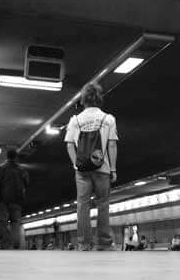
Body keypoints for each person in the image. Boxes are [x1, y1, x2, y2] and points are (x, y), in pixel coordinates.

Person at [65, 82, 118, 251]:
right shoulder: (108, 119)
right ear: (99, 98)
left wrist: (76, 165)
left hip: (82, 171)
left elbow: (68, 145)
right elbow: (111, 145)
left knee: (82, 204)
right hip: (102, 168)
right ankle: (103, 243)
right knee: (103, 204)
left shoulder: (75, 120)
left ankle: (84, 243)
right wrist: (113, 169)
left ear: (83, 100)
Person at [0, 148, 29, 250]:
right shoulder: (22, 170)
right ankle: (16, 244)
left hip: (3, 199)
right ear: (16, 157)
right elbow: (27, 183)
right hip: (17, 200)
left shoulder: (0, 169)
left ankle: (6, 245)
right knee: (16, 222)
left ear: (7, 156)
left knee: (2, 222)